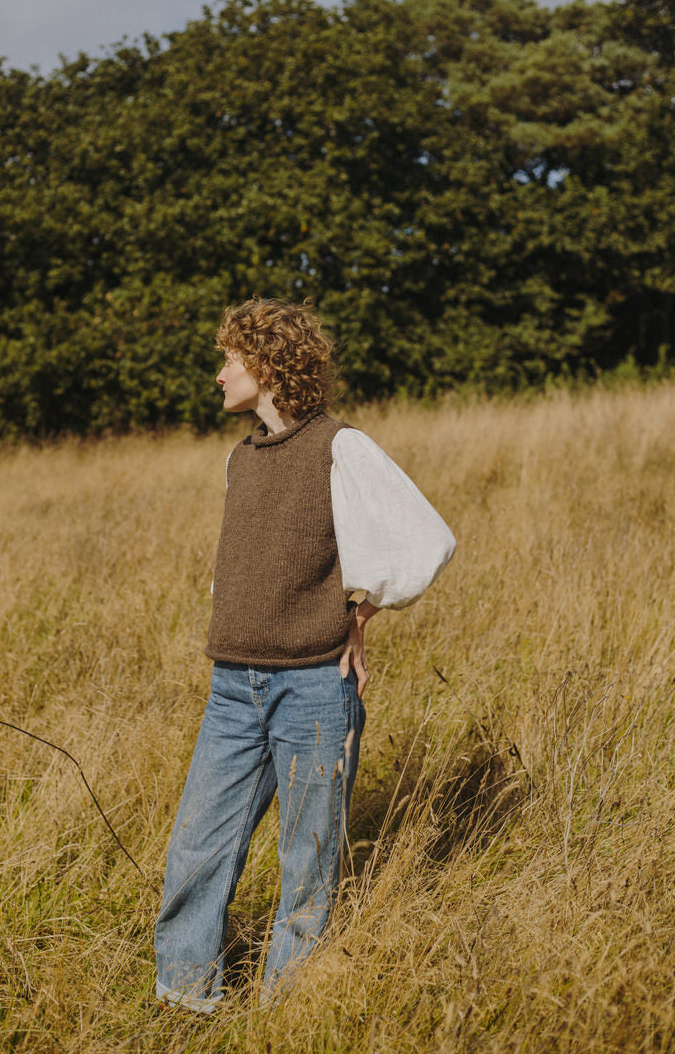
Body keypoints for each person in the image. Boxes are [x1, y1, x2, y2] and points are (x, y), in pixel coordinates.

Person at [154, 297, 456, 1013]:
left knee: (307, 864)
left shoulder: (339, 446)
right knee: (197, 849)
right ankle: (185, 997)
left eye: (229, 359)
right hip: (234, 687)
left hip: (316, 689)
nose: (219, 374)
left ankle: (284, 1011)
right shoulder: (242, 458)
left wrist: (361, 614)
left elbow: (426, 538)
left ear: (264, 364)